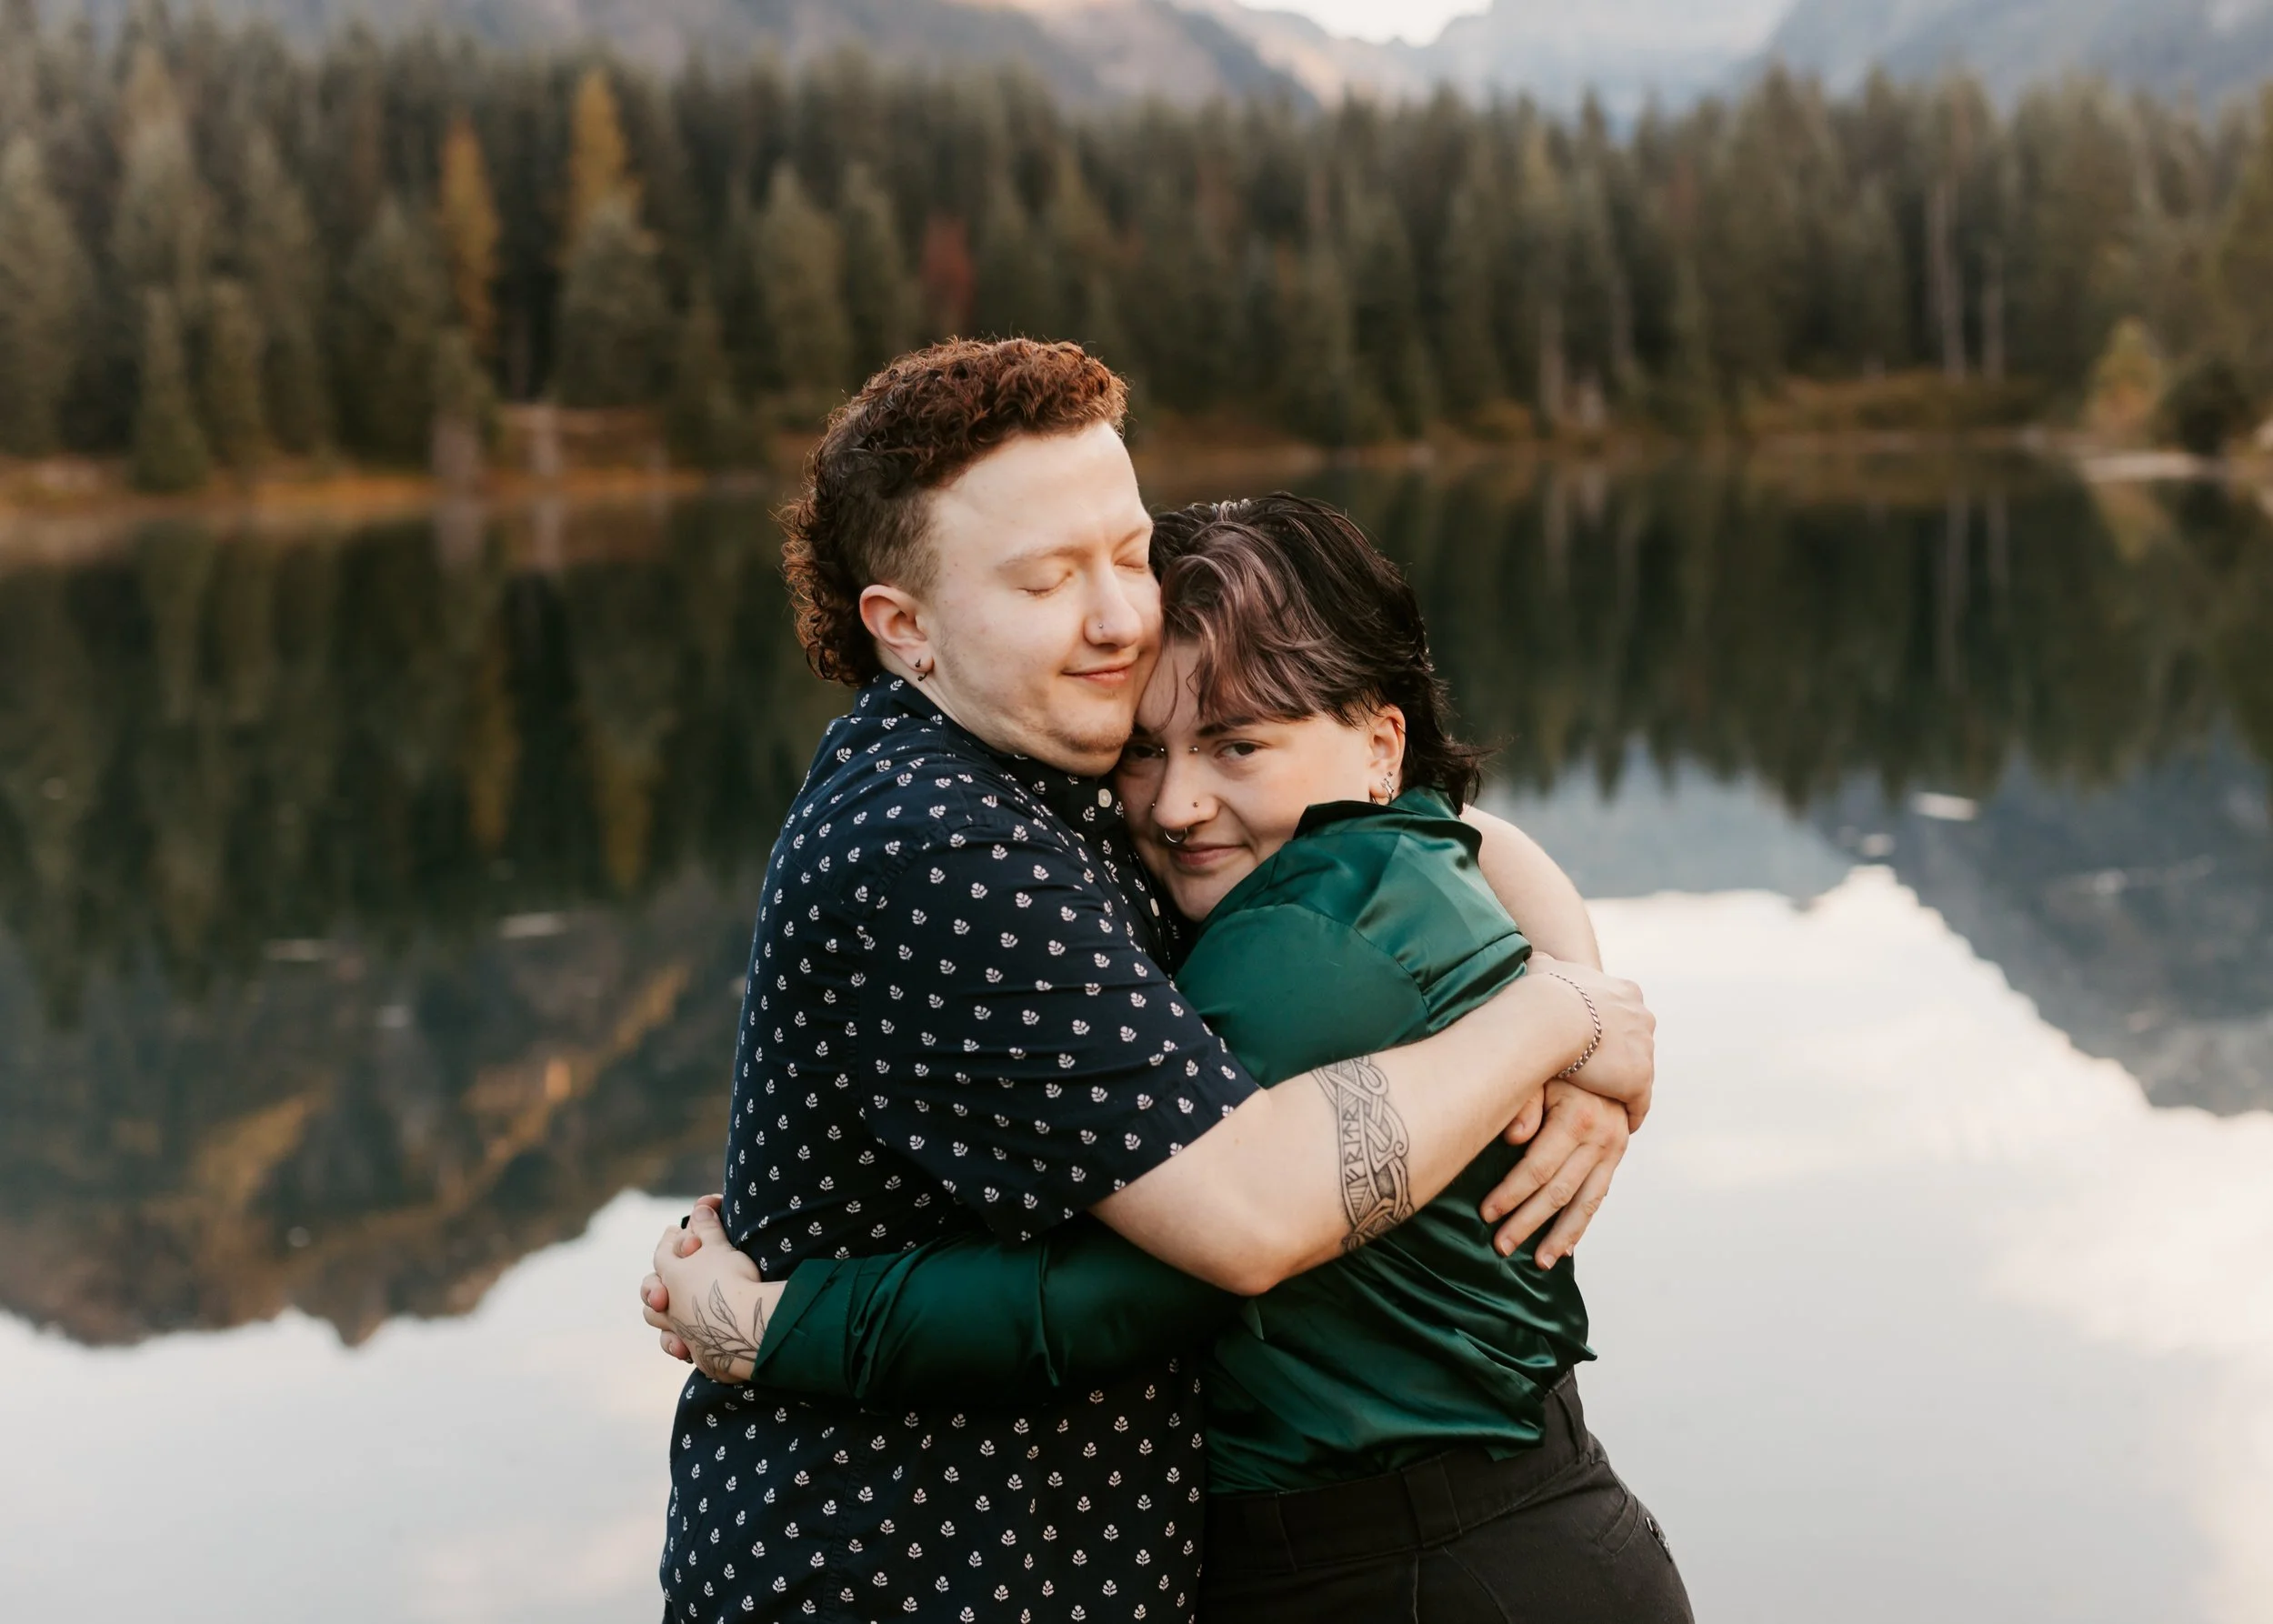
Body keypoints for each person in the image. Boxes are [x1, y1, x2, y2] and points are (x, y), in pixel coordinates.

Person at [639, 338, 1655, 1623]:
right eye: (1049, 579)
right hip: (906, 1574)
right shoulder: (939, 846)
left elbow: (1430, 826)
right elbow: (1245, 1221)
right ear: (906, 629)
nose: (1121, 614)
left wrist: (1576, 1007)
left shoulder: (1074, 759)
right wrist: (1558, 1020)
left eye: (1127, 553)